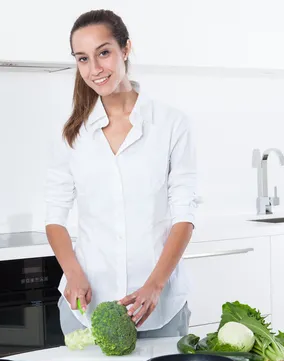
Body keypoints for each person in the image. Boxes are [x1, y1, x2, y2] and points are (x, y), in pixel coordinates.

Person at [44, 9, 199, 339]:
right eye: (83, 59)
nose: (95, 69)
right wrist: (73, 274)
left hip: (159, 309)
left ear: (125, 49)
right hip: (86, 310)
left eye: (104, 53)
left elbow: (184, 216)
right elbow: (54, 217)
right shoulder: (73, 134)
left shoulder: (171, 124)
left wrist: (155, 286)